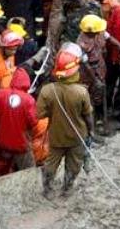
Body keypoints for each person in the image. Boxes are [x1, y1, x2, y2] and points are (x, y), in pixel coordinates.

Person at [37, 47, 94, 198]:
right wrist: (91, 131)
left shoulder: (47, 90)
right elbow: (88, 116)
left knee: (51, 164)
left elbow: (39, 114)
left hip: (56, 136)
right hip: (77, 136)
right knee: (74, 165)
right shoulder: (81, 92)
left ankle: (47, 190)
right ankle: (67, 189)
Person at [77, 14, 120, 129]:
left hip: (100, 66)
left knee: (99, 95)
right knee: (89, 99)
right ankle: (90, 125)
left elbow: (109, 37)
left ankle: (100, 118)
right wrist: (95, 81)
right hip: (88, 73)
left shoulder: (99, 32)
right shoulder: (81, 44)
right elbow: (86, 65)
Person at [0, 67, 37, 177]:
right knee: (29, 172)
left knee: (0, 172)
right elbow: (33, 122)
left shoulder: (1, 94)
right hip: (21, 144)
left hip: (2, 142)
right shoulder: (29, 100)